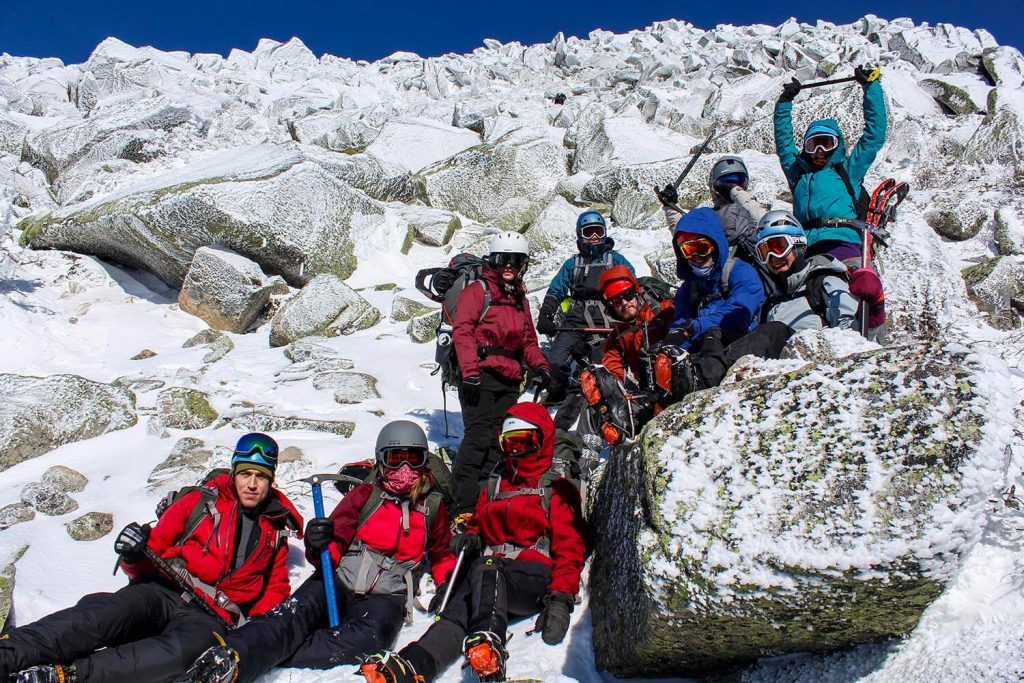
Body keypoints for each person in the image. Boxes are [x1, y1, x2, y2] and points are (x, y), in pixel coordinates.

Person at [1, 433, 302, 683]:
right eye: (246, 473)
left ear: (270, 481)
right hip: (163, 590)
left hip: (210, 617)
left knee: (180, 654)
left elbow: (273, 590)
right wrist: (133, 554)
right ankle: (10, 654)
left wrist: (254, 631)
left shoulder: (275, 531)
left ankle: (67, 676)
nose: (252, 484)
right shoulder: (198, 502)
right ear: (234, 473)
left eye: (261, 477)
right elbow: (153, 551)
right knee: (100, 615)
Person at [185, 421, 456, 683]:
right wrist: (318, 544)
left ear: (424, 463)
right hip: (339, 579)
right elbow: (335, 537)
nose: (405, 468)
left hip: (387, 596)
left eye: (414, 459)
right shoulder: (365, 495)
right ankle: (231, 659)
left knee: (370, 641)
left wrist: (446, 582)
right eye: (396, 458)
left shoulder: (432, 508)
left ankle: (269, 650)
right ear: (381, 460)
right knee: (293, 615)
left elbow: (442, 554)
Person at [358, 403, 586, 683]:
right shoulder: (496, 482)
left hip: (533, 577)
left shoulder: (555, 488)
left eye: (524, 442)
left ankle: (489, 646)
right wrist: (473, 535)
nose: (515, 451)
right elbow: (479, 521)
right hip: (488, 576)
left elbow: (570, 550)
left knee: (488, 568)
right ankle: (413, 665)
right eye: (509, 443)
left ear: (541, 440)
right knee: (455, 614)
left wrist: (560, 599)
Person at [667, 210, 861, 394]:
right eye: (764, 251)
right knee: (717, 335)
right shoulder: (773, 298)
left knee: (774, 330)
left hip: (817, 359)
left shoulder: (822, 281)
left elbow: (850, 331)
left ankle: (703, 378)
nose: (772, 258)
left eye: (778, 247)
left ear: (798, 243)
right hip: (779, 368)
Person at [451, 231, 550, 526]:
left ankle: (486, 503)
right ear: (492, 260)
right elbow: (463, 331)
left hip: (508, 380)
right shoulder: (477, 291)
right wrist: (469, 372)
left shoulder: (521, 300)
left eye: (515, 260)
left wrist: (541, 367)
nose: (509, 265)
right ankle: (462, 506)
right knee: (477, 439)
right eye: (503, 259)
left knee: (500, 443)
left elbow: (529, 341)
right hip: (478, 376)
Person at [773, 65, 888, 260]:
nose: (819, 152)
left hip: (842, 242)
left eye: (826, 144)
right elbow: (784, 145)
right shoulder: (799, 174)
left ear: (836, 146)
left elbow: (873, 137)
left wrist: (871, 87)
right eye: (813, 145)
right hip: (805, 247)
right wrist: (784, 104)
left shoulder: (848, 170)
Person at [535, 210, 634, 405]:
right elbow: (556, 290)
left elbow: (632, 286)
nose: (595, 237)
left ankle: (598, 400)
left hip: (607, 322)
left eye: (598, 231)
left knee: (601, 365)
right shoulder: (573, 264)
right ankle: (558, 393)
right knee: (555, 361)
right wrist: (546, 315)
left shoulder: (616, 261)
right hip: (575, 321)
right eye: (589, 233)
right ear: (580, 235)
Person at [662, 207, 766, 352]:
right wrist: (671, 348)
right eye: (688, 250)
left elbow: (739, 315)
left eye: (702, 248)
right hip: (705, 353)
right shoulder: (689, 288)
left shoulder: (740, 272)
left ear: (716, 245)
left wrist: (694, 328)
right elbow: (679, 324)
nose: (696, 256)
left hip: (742, 348)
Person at [656, 155, 766, 265]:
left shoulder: (714, 218)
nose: (731, 187)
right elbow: (686, 236)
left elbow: (764, 222)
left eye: (738, 184)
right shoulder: (711, 218)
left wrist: (670, 208)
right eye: (727, 183)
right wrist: (671, 207)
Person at [596, 265, 675, 386]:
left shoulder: (661, 310)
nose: (625, 303)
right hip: (649, 390)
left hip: (677, 377)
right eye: (617, 301)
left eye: (628, 295)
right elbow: (612, 368)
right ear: (610, 306)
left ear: (637, 293)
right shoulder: (617, 336)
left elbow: (683, 335)